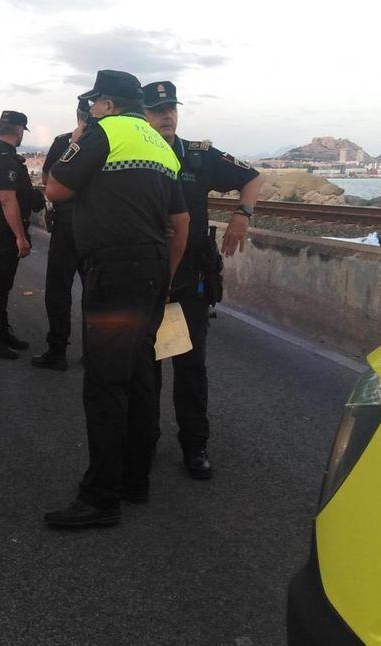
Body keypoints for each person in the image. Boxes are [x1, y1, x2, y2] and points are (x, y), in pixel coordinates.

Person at [43, 70, 190, 527]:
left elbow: (55, 188)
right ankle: (135, 480)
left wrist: (81, 135)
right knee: (142, 376)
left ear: (105, 103)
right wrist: (163, 277)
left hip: (113, 273)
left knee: (105, 384)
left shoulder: (102, 134)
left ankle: (100, 498)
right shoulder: (159, 144)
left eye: (94, 104)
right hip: (150, 271)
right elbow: (180, 223)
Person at [142, 80, 264, 479]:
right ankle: (144, 443)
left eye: (171, 108)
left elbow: (252, 178)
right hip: (145, 278)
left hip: (188, 280)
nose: (167, 115)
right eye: (158, 109)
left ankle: (195, 445)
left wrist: (242, 215)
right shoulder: (134, 153)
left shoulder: (199, 157)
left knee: (190, 367)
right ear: (142, 114)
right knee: (146, 367)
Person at [31, 97, 94, 371]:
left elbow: (48, 181)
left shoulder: (65, 142)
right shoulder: (108, 142)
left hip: (71, 224)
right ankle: (90, 352)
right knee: (90, 291)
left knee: (60, 290)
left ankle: (58, 350)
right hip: (92, 226)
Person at [0, 110, 37, 360]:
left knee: (0, 285)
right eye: (23, 130)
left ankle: (1, 332)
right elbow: (7, 199)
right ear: (19, 130)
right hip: (5, 231)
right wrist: (20, 237)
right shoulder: (4, 158)